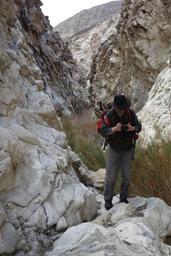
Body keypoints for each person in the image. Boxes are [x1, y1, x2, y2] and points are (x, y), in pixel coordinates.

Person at [98, 95, 142, 210]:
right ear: (115, 107)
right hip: (113, 149)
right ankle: (108, 201)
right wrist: (113, 129)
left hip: (127, 149)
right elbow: (101, 130)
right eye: (119, 109)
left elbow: (139, 126)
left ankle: (123, 198)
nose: (121, 112)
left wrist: (133, 128)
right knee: (111, 177)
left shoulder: (130, 113)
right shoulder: (109, 115)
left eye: (122, 109)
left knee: (127, 177)